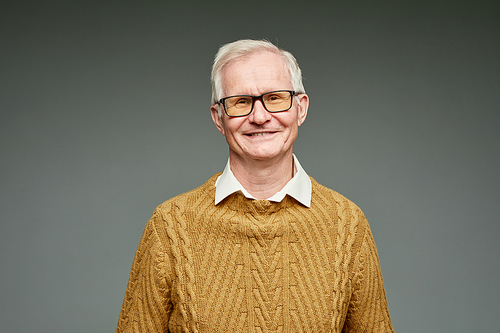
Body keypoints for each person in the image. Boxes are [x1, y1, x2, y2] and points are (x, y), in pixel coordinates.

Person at [116, 39, 394, 332]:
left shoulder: (347, 224)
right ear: (218, 118)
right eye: (241, 102)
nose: (259, 117)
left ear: (301, 108)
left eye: (275, 98)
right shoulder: (170, 226)